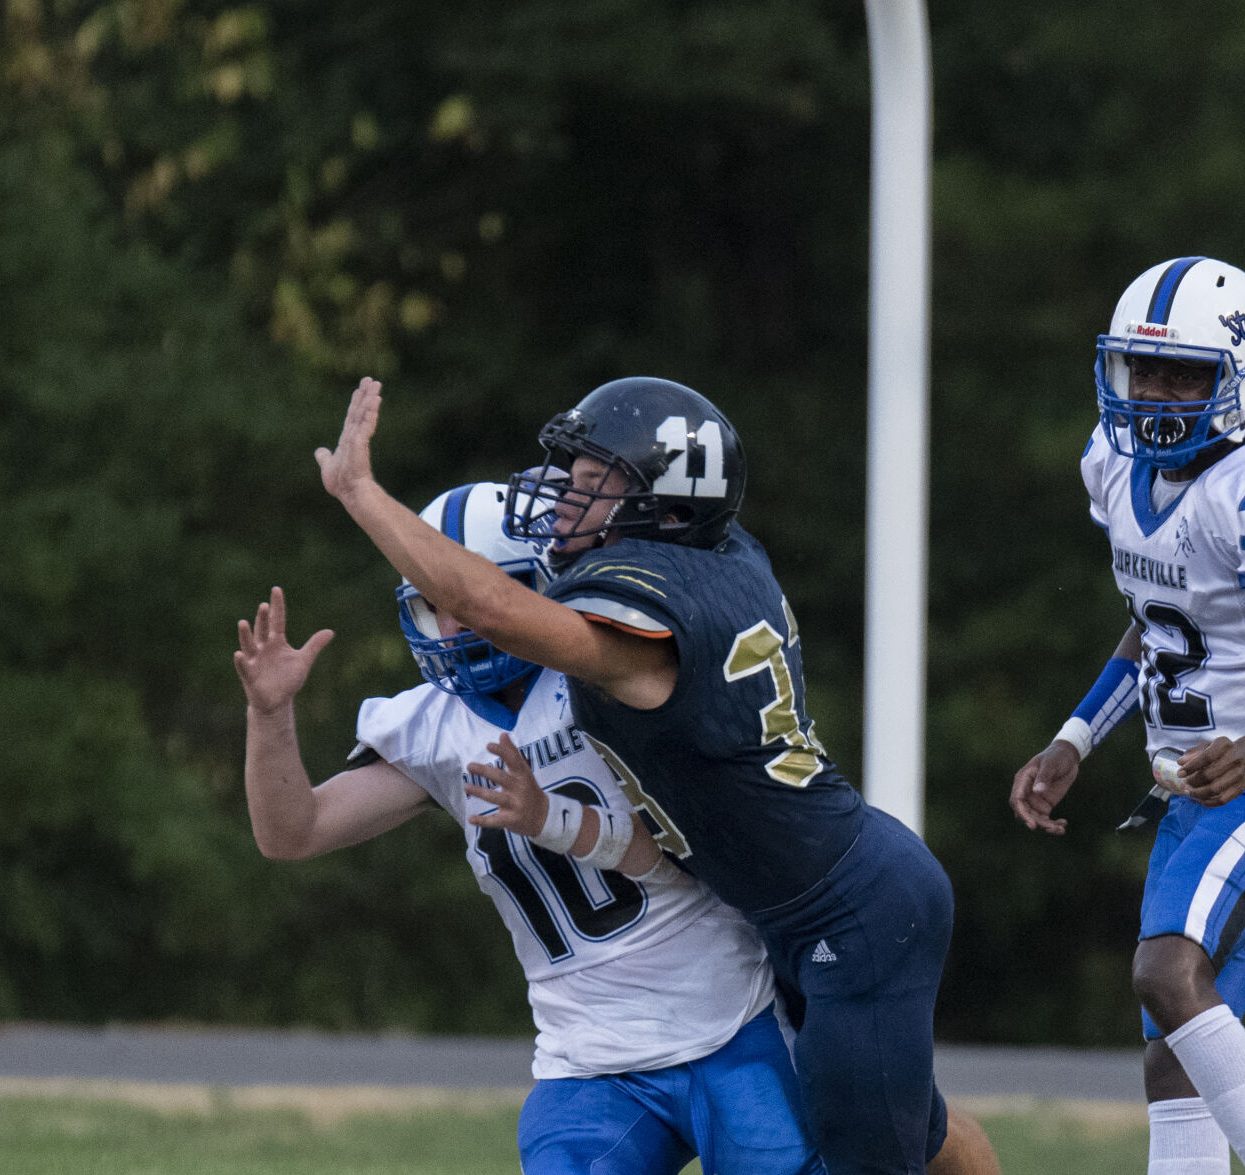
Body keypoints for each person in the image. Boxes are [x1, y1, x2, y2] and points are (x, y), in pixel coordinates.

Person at [314, 377, 999, 1175]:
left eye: (589, 486)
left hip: (850, 914)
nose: (562, 501)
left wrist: (363, 494)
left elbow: (494, 609)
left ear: (666, 507)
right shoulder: (716, 551)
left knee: (870, 1160)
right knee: (907, 1124)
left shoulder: (648, 630)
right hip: (800, 903)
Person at [236, 480, 826, 1175]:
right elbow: (293, 832)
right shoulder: (431, 728)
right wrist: (270, 713)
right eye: (435, 605)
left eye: (472, 598)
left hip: (733, 1019)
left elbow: (682, 852)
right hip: (590, 1062)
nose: (454, 625)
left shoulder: (614, 678)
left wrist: (553, 818)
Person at [1010, 255, 1245, 1175]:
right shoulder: (1114, 470)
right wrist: (1073, 736)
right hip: (1191, 788)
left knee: (1164, 974)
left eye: (1185, 375)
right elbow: (1160, 630)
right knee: (1172, 1050)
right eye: (1144, 370)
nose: (1157, 395)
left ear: (1244, 381)